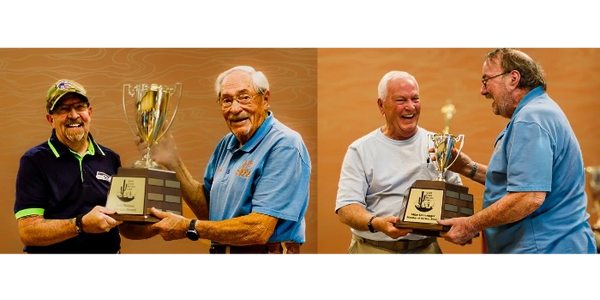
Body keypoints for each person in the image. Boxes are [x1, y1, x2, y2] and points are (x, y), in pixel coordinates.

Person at [135, 65, 311, 257]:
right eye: (226, 100)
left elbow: (259, 229)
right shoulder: (226, 144)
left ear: (265, 99)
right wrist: (173, 162)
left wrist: (189, 226)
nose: (235, 109)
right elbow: (211, 214)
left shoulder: (285, 144)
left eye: (244, 97)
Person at [437, 48, 598, 257]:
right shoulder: (537, 111)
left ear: (513, 78)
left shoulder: (530, 119)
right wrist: (467, 167)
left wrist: (470, 225)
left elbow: (528, 196)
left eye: (486, 80)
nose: (482, 91)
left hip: (545, 249)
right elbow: (519, 182)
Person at [13, 79, 149, 257]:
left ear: (89, 112)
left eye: (79, 107)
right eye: (63, 109)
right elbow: (28, 232)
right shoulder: (34, 161)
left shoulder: (110, 158)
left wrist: (160, 225)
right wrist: (81, 224)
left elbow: (126, 227)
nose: (74, 115)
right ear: (50, 119)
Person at [334, 70, 463, 257]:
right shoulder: (360, 149)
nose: (410, 107)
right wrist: (377, 223)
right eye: (401, 100)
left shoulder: (439, 145)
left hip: (426, 249)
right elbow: (346, 208)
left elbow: (457, 198)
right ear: (381, 105)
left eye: (415, 99)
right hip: (372, 249)